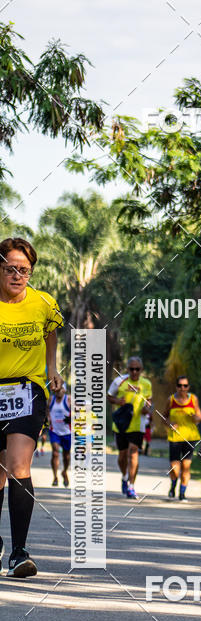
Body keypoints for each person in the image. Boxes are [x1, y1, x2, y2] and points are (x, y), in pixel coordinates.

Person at [0, 237, 63, 576]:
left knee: (18, 465)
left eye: (24, 270)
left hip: (27, 391)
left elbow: (51, 331)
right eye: (10, 268)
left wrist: (52, 369)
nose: (17, 275)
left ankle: (19, 553)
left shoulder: (43, 303)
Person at [107, 356, 152, 500]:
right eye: (132, 369)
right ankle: (125, 476)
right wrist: (117, 401)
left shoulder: (146, 384)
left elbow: (149, 401)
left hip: (138, 425)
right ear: (128, 369)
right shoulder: (119, 381)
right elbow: (109, 396)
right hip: (121, 424)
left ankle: (131, 486)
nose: (134, 372)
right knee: (122, 456)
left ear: (141, 369)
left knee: (133, 452)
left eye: (137, 369)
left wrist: (147, 409)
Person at [163, 376, 201, 501]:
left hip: (190, 437)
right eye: (180, 385)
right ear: (176, 387)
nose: (182, 388)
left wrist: (195, 417)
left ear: (188, 387)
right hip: (175, 437)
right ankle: (173, 486)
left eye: (185, 386)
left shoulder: (193, 399)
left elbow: (199, 416)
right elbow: (164, 417)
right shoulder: (171, 400)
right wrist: (170, 423)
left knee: (186, 466)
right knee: (175, 468)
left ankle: (182, 493)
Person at [49, 383, 71, 486]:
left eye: (61, 389)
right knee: (55, 453)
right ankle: (55, 477)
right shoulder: (51, 400)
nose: (59, 391)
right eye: (57, 389)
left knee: (66, 456)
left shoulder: (69, 400)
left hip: (67, 432)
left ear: (64, 390)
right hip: (54, 431)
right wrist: (47, 419)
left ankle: (64, 472)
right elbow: (47, 411)